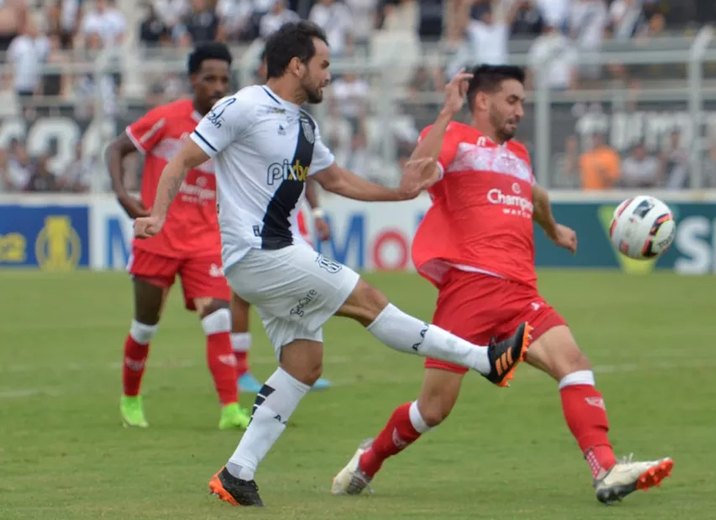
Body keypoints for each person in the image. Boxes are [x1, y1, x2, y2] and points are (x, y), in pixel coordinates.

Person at [133, 21, 532, 507]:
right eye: (324, 65)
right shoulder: (242, 106)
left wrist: (400, 193)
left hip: (273, 257)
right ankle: (484, 360)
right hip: (262, 253)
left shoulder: (304, 124)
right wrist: (156, 214)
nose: (330, 75)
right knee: (369, 303)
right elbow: (180, 160)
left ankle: (237, 473)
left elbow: (338, 179)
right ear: (297, 65)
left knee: (304, 363)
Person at [331, 64, 674, 505]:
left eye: (523, 103)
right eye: (512, 101)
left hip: (520, 294)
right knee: (432, 410)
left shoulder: (520, 155)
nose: (519, 110)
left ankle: (606, 469)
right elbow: (413, 180)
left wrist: (552, 229)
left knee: (574, 363)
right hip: (469, 290)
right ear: (482, 101)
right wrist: (444, 113)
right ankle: (367, 460)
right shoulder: (454, 137)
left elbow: (536, 195)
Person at [107, 42, 250, 431]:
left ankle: (230, 410)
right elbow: (117, 149)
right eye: (209, 79)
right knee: (145, 326)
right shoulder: (166, 120)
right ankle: (131, 398)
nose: (218, 86)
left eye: (224, 79)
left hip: (205, 242)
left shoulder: (234, 128)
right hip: (159, 237)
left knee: (219, 319)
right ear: (193, 80)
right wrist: (124, 196)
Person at [232, 181, 334, 393]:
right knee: (242, 293)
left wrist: (316, 213)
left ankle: (299, 367)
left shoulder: (302, 147)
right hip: (254, 219)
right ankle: (239, 370)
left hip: (292, 222)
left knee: (303, 291)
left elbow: (309, 173)